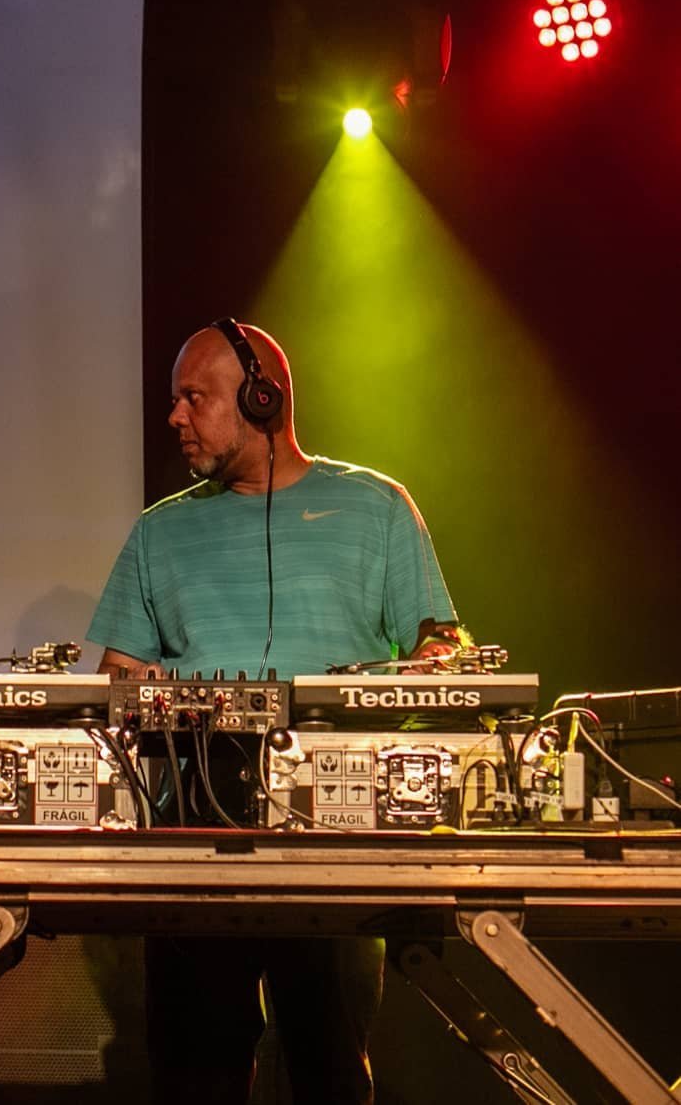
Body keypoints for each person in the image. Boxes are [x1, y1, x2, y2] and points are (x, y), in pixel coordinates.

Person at [87, 318, 461, 1104]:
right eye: (174, 399)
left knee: (331, 1070)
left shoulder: (376, 508)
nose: (174, 416)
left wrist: (432, 665)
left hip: (337, 828)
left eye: (194, 397)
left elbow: (440, 653)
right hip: (192, 831)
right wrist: (139, 688)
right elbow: (113, 686)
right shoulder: (159, 530)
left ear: (262, 400)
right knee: (194, 1076)